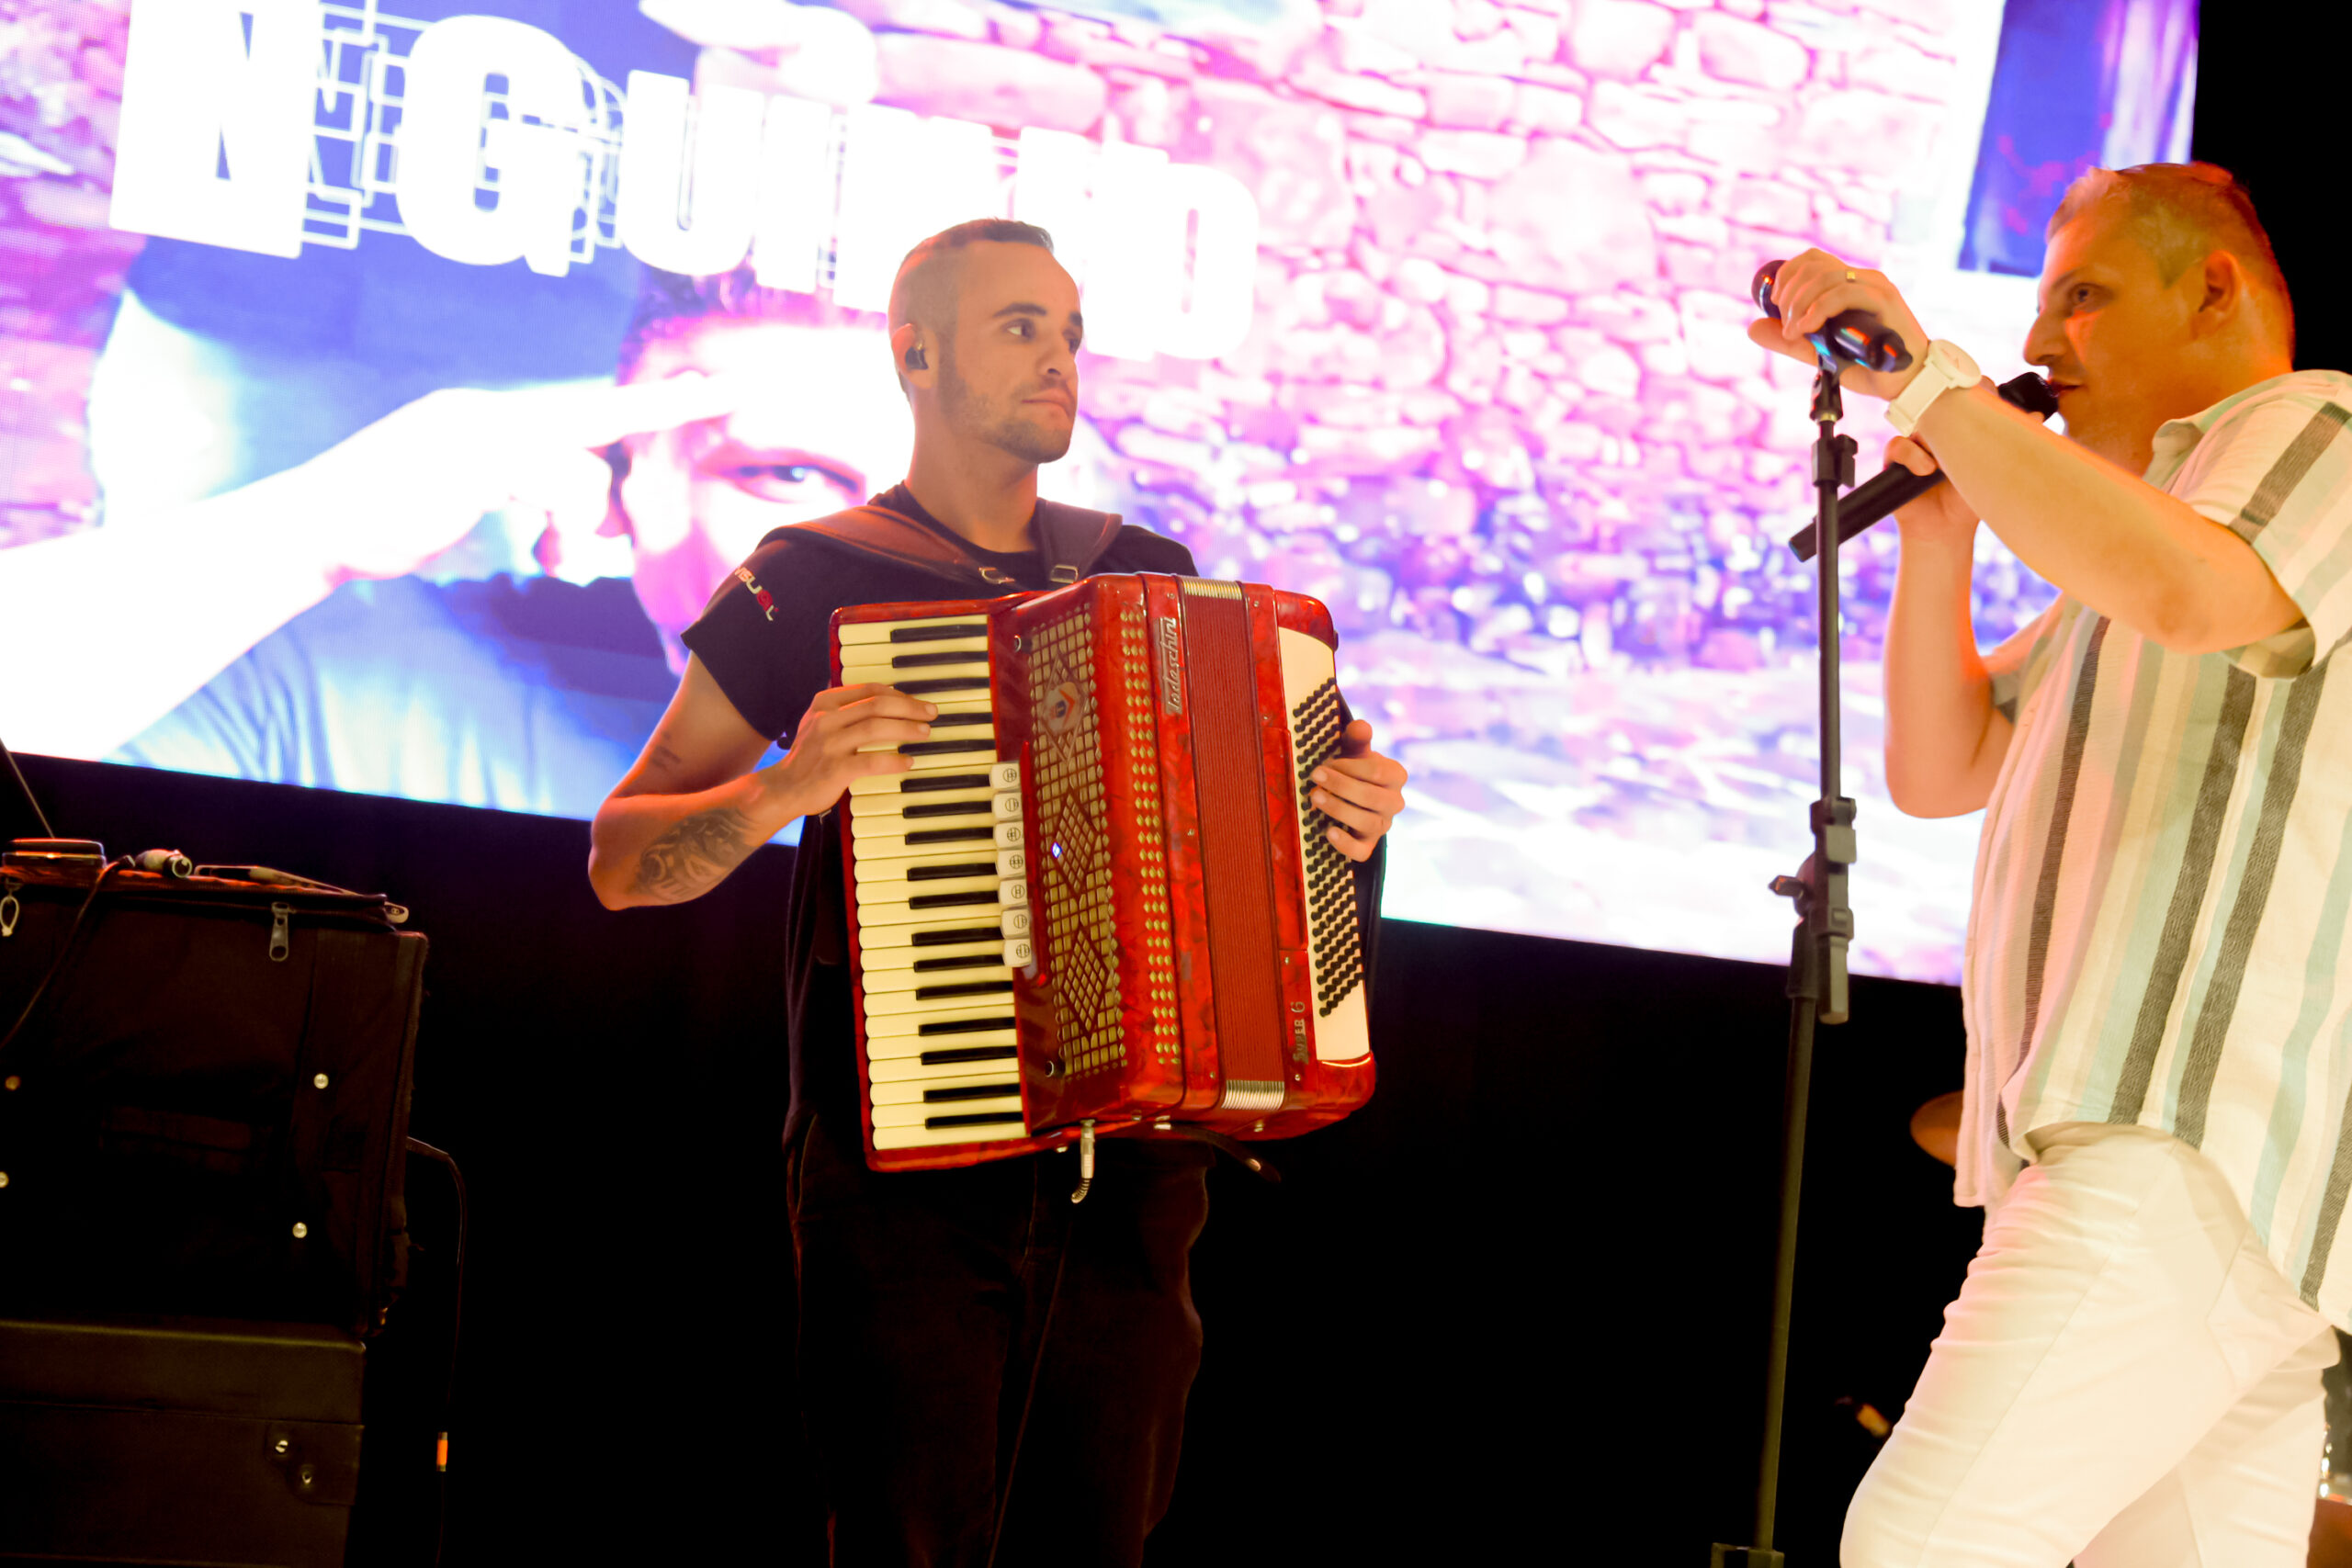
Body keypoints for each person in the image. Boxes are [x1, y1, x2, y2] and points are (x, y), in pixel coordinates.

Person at [586, 218, 1407, 1564]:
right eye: (1021, 327)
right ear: (914, 355)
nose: (1059, 359)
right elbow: (622, 860)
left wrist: (1343, 826)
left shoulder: (1147, 569)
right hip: (910, 1189)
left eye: (1070, 332)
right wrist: (787, 788)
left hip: (1135, 1186)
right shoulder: (811, 577)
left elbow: (1241, 865)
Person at [1751, 164, 2352, 1563]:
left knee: (1921, 1546)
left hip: (2180, 1132)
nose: (2039, 341)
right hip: (2189, 1170)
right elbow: (1942, 767)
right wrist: (1944, 539)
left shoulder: (2313, 428)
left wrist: (1925, 377)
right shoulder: (2141, 548)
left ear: (2213, 289)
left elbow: (2190, 593)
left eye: (2084, 294)